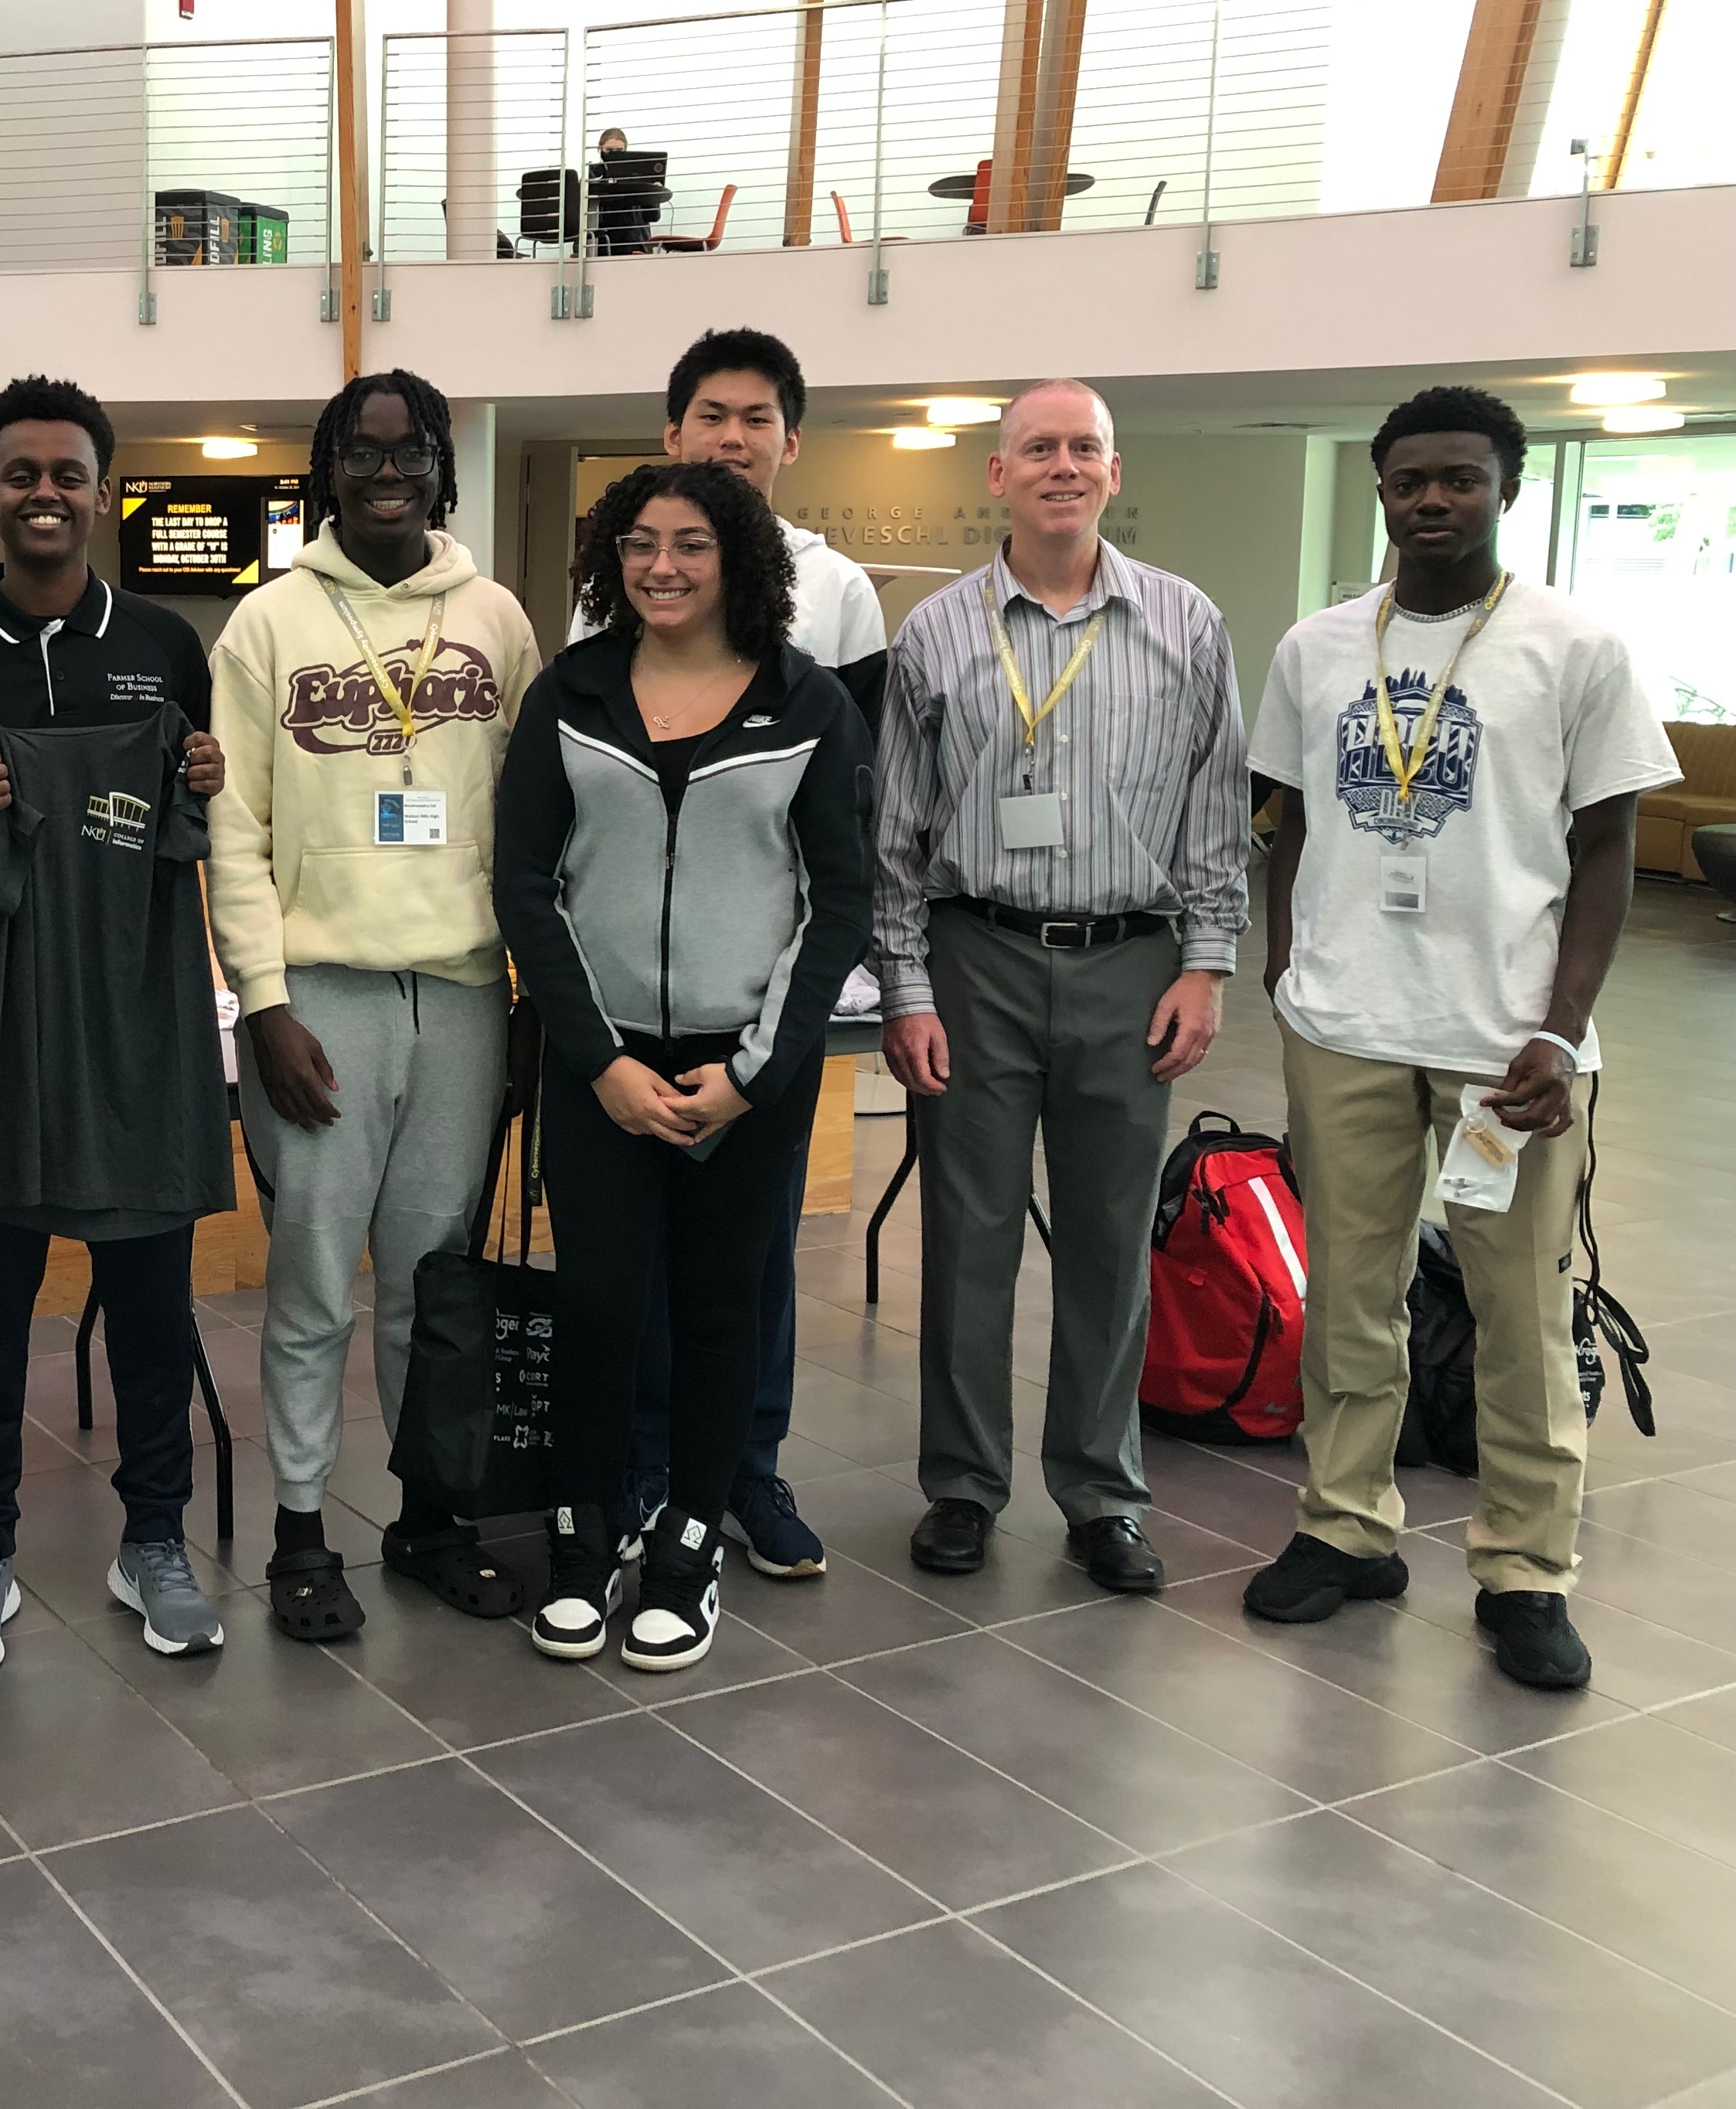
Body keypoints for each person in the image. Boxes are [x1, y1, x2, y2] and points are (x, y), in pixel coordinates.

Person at [1241, 386, 1676, 1692]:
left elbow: (1608, 848)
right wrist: (1288, 964)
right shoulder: (1320, 647)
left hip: (1510, 1049)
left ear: (1507, 490)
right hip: (1348, 1024)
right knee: (1350, 1300)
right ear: (1380, 492)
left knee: (1520, 1312)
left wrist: (1565, 1022)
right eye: (1409, 481)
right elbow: (1290, 820)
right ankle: (1346, 1528)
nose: (1433, 500)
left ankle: (1526, 1571)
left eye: (1461, 480)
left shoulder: (1573, 646)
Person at [871, 378, 1247, 1594]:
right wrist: (908, 987)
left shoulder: (1186, 624)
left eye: (1085, 447)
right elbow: (897, 834)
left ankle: (1100, 1494)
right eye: (1038, 447)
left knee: (1106, 1245)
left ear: (1114, 473)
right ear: (999, 476)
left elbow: (1216, 812)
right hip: (975, 957)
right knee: (967, 1239)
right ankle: (965, 1488)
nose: (1062, 466)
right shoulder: (933, 631)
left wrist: (1207, 963)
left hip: (1131, 967)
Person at [495, 463, 873, 1665]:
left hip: (746, 1076)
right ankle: (584, 1533)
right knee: (601, 1307)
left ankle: (691, 1543)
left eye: (693, 544)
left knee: (719, 1313)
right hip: (600, 1067)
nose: (663, 566)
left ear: (741, 560)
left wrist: (752, 1074)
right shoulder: (574, 692)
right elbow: (525, 887)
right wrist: (599, 1060)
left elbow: (841, 903)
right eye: (642, 544)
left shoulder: (805, 704)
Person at [207, 369, 545, 1642]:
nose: (389, 471)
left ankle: (430, 1517)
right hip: (321, 1004)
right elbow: (232, 832)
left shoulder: (497, 618)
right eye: (364, 450)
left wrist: (523, 995)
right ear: (329, 467)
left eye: (411, 451)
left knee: (432, 1286)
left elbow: (530, 827)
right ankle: (303, 1532)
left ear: (444, 466)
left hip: (460, 999)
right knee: (311, 1289)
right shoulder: (269, 624)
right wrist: (263, 1002)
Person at [0, 376, 234, 1669]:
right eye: (21, 473)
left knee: (152, 1297)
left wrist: (199, 774)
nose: (45, 493)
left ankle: (153, 1535)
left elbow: (206, 804)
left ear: (105, 489)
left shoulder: (164, 643)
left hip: (141, 1025)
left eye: (68, 473)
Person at [571, 325, 890, 1580]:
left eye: (757, 418)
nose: (733, 436)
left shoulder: (841, 591)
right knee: (629, 1264)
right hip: (626, 1004)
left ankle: (743, 1473)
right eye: (712, 414)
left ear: (789, 441)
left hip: (763, 1002)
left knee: (748, 1260)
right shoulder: (619, 570)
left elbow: (846, 809)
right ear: (673, 432)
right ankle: (645, 1473)